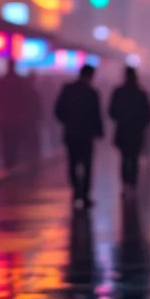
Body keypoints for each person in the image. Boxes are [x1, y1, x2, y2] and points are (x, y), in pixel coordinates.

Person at [54, 64, 103, 208]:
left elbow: (58, 110)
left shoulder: (68, 90)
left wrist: (68, 122)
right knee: (87, 165)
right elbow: (96, 115)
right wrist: (98, 132)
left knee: (73, 164)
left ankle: (77, 192)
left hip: (72, 133)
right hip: (86, 135)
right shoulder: (92, 93)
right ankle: (85, 195)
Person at [109, 66, 150, 198]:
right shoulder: (141, 94)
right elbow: (148, 114)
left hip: (122, 130)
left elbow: (112, 111)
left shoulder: (118, 92)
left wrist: (122, 118)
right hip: (136, 131)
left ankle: (125, 185)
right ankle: (132, 185)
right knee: (133, 159)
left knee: (124, 158)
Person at [0, 60, 29, 170]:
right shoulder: (19, 81)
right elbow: (24, 99)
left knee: (6, 141)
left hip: (5, 116)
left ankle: (8, 161)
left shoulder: (2, 81)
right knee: (14, 140)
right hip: (16, 117)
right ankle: (13, 161)